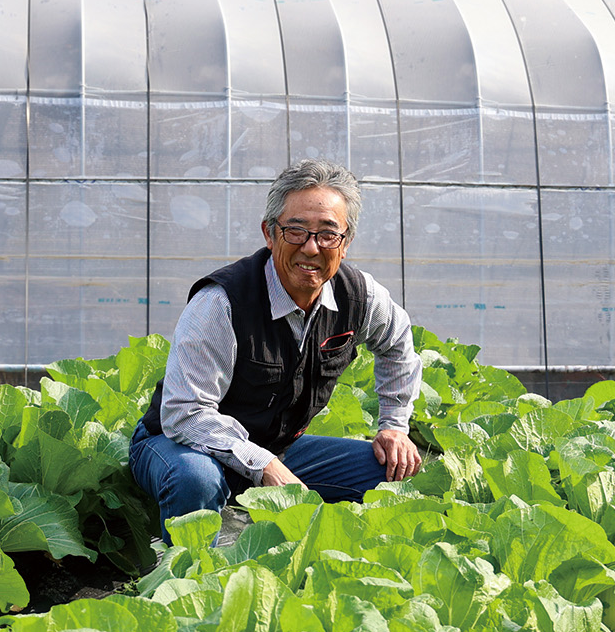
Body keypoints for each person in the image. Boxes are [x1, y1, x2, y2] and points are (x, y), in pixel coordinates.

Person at [129, 159, 425, 535]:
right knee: (196, 479)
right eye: (296, 231)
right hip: (180, 446)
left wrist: (395, 426)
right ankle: (191, 562)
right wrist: (264, 465)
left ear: (346, 242)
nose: (311, 248)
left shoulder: (359, 296)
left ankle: (318, 553)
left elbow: (398, 346)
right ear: (270, 234)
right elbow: (185, 414)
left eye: (328, 234)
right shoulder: (221, 303)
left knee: (392, 470)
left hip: (277, 447)